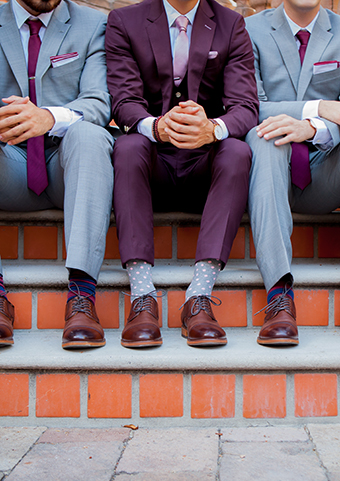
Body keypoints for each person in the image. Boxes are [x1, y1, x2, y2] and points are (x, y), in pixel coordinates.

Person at [105, 0, 259, 348]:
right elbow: (123, 100)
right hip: (151, 164)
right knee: (126, 147)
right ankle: (142, 297)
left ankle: (199, 297)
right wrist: (156, 126)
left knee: (237, 150)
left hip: (206, 169)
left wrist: (213, 128)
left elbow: (246, 106)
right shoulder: (124, 21)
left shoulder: (231, 23)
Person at [0, 0, 115, 349]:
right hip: (8, 162)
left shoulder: (95, 24)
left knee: (91, 134)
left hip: (67, 166)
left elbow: (98, 102)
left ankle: (82, 297)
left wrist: (49, 117)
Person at [245, 0, 340, 346]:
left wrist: (313, 129)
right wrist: (316, 109)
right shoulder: (249, 30)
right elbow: (249, 106)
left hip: (326, 169)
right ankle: (279, 296)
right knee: (265, 138)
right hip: (267, 172)